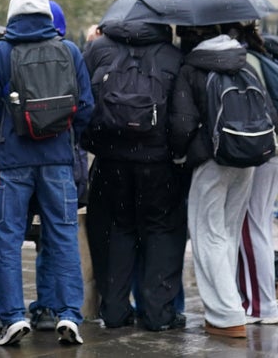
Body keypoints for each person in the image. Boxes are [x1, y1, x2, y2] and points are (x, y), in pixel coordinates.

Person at [0, 0, 93, 346]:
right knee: (63, 235)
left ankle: (12, 316)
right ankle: (70, 314)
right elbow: (85, 107)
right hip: (57, 159)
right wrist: (64, 138)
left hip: (13, 161)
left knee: (8, 238)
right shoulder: (69, 50)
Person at [169, 25, 277, 338]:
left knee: (207, 233)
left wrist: (180, 156)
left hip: (212, 159)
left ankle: (226, 315)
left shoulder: (192, 68)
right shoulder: (243, 63)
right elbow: (267, 111)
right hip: (248, 157)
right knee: (229, 232)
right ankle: (232, 304)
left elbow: (183, 123)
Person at [81, 18, 185, 331]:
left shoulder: (99, 49)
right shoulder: (172, 55)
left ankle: (113, 311)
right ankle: (157, 314)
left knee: (114, 232)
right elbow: (181, 119)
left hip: (111, 161)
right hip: (158, 164)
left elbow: (83, 101)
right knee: (161, 233)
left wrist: (93, 142)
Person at [225, 22, 278, 325]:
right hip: (271, 151)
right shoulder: (264, 56)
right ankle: (259, 299)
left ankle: (261, 305)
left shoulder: (247, 61)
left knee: (251, 224)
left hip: (260, 151)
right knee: (260, 223)